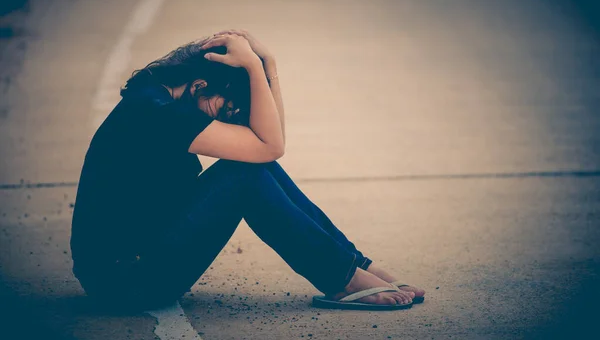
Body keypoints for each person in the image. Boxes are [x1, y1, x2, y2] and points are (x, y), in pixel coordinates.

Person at [70, 30, 425, 312]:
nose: (227, 120)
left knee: (254, 163)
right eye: (225, 110)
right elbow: (272, 144)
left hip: (139, 261)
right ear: (199, 86)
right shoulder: (159, 113)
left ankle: (354, 265)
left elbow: (270, 144)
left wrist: (267, 65)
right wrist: (255, 69)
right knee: (246, 174)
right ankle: (344, 278)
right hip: (124, 283)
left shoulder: (163, 95)